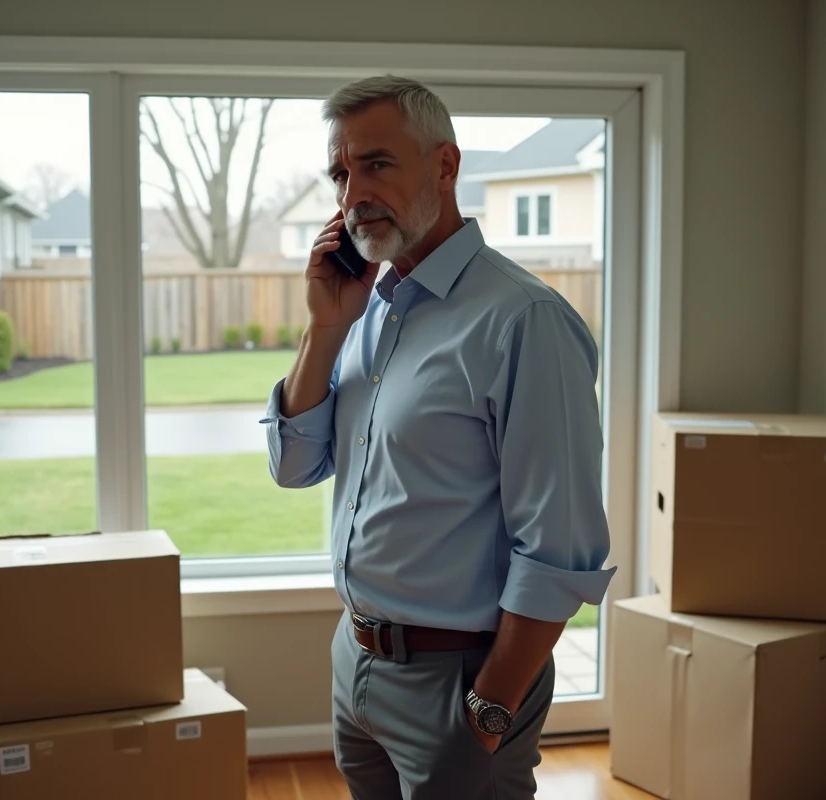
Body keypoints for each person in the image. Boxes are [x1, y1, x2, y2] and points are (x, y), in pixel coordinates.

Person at [261, 75, 615, 800]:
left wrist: (488, 712)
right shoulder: (365, 309)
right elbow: (294, 466)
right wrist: (325, 326)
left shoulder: (523, 322)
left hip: (458, 685)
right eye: (340, 172)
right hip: (355, 663)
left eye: (377, 163)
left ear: (445, 166)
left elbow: (560, 550)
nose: (353, 191)